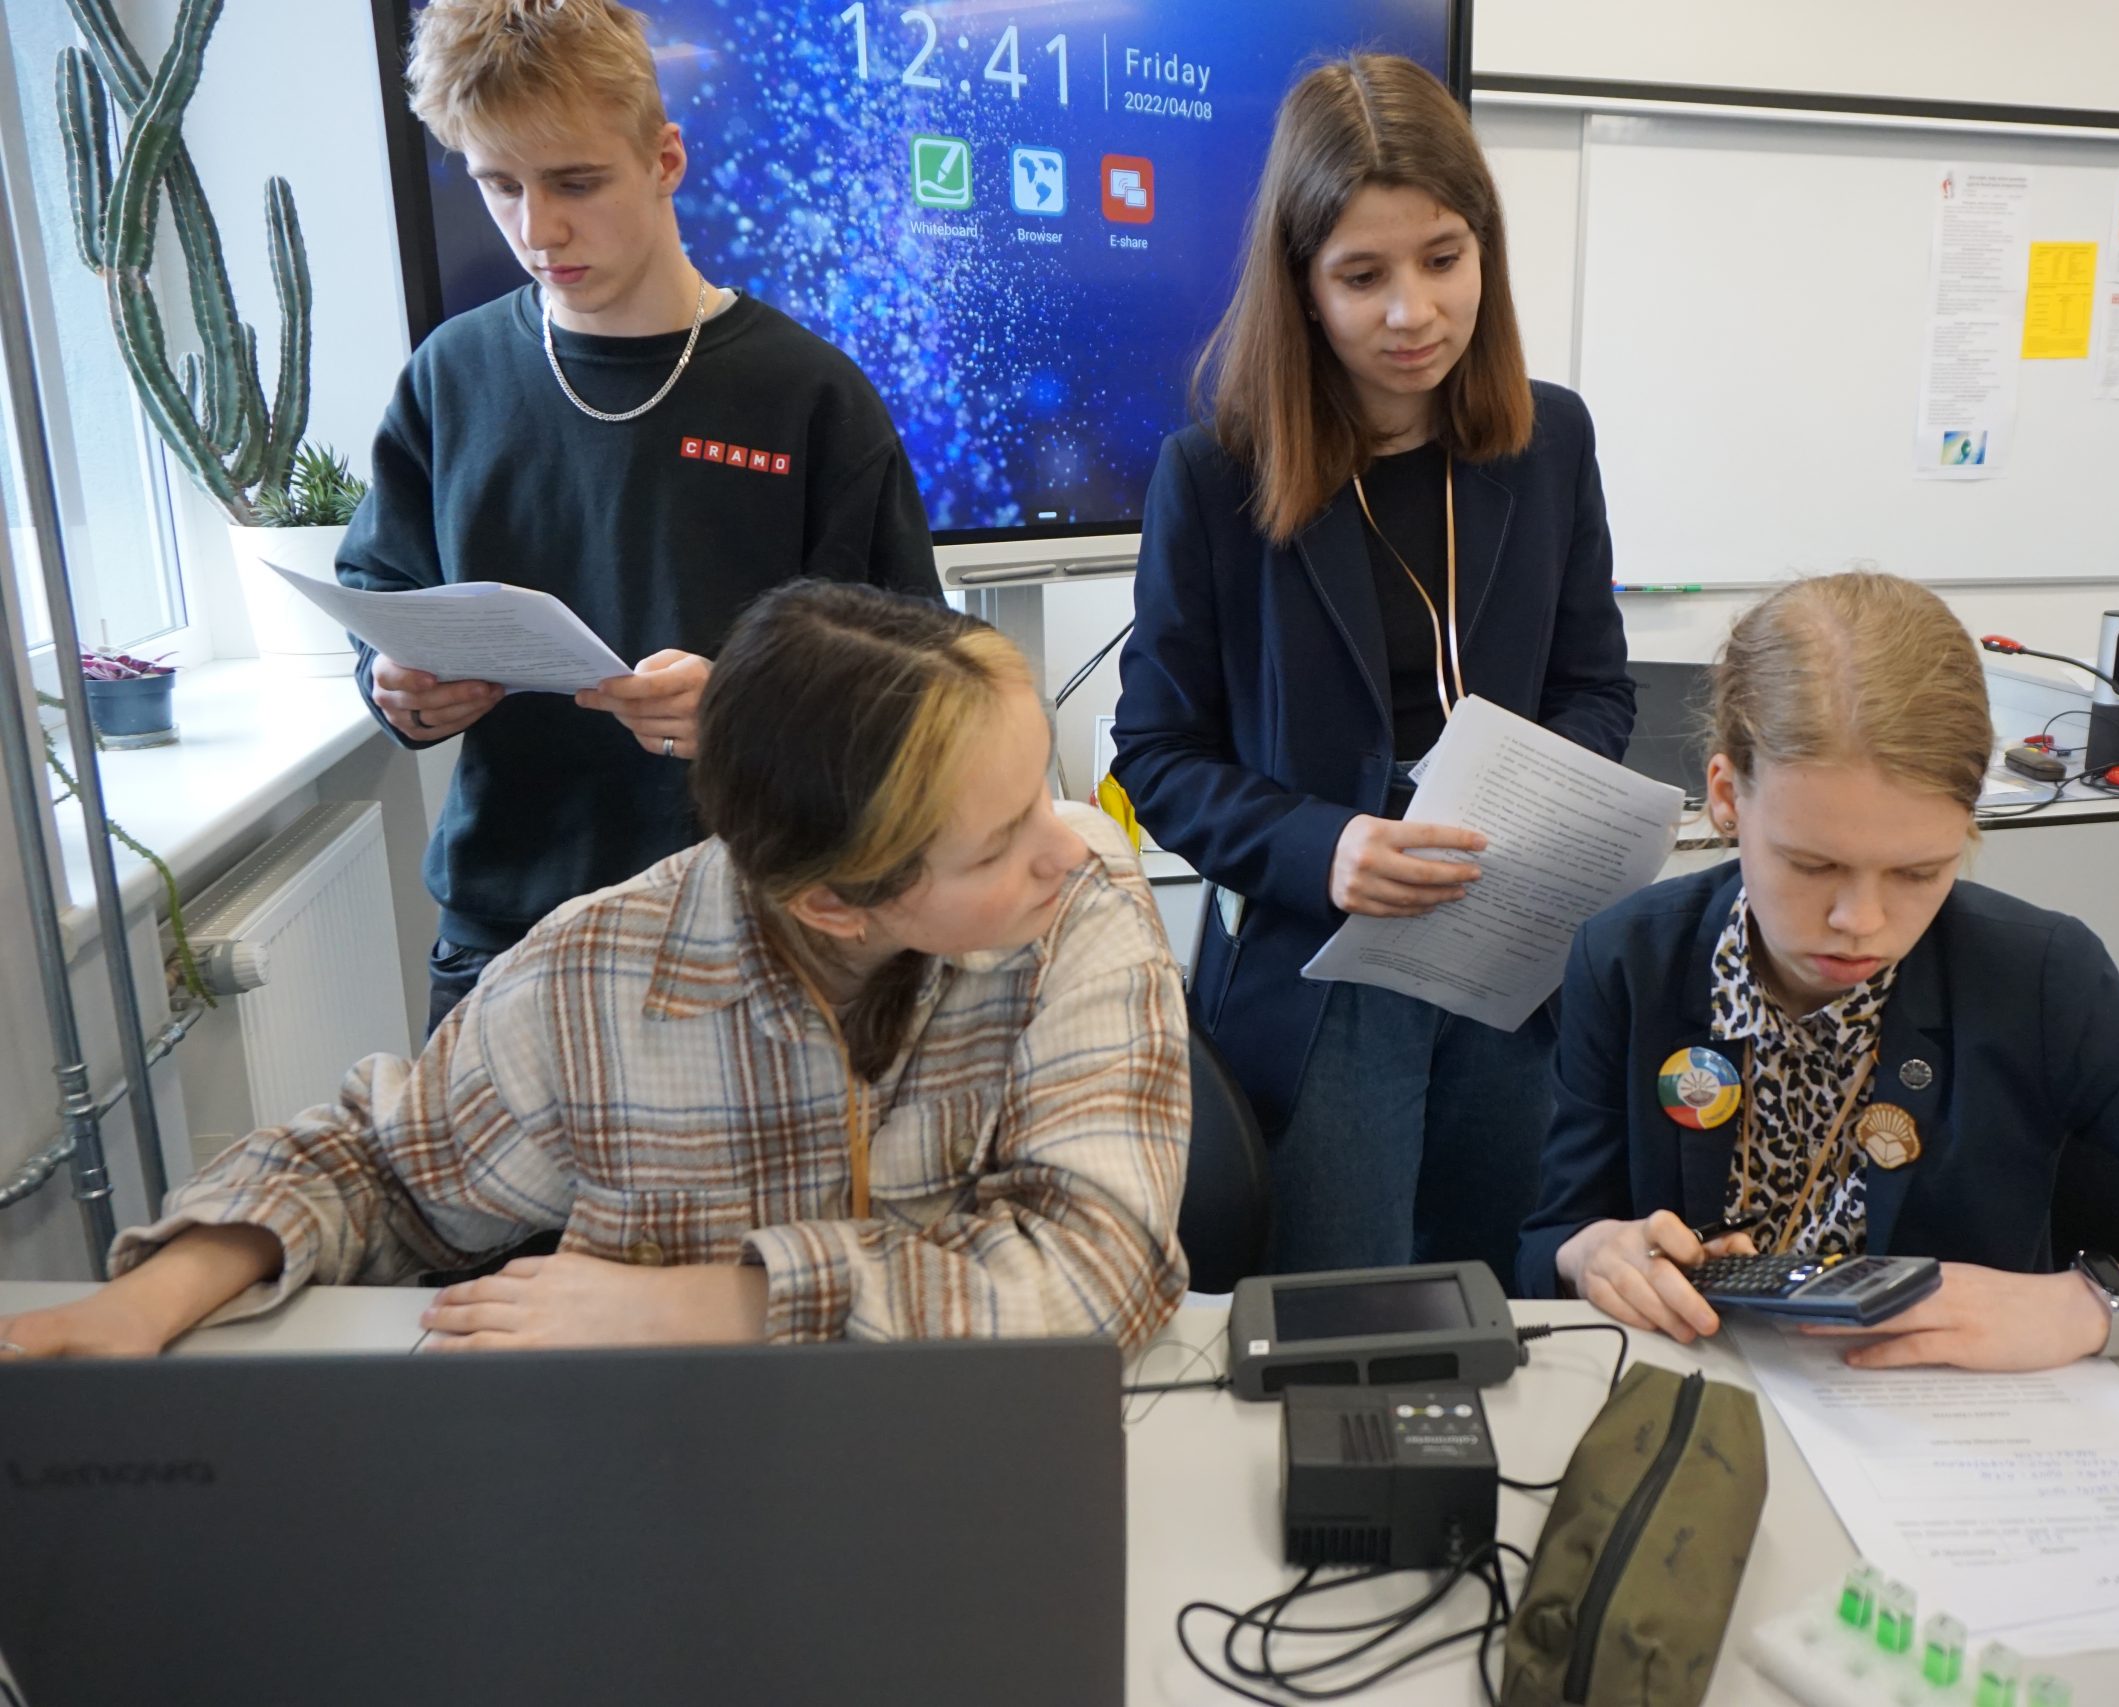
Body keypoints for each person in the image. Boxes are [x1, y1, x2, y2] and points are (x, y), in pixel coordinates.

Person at [0, 584, 1188, 1358]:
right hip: (681, 1485)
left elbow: (1103, 1278)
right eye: (999, 841)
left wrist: (716, 1302)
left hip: (964, 1463)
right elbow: (379, 1173)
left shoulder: (1081, 906)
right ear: (831, 901)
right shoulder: (594, 977)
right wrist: (146, 1303)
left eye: (1042, 792)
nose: (1069, 843)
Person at [1519, 571, 2119, 1390]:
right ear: (1727, 797)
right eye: (1812, 865)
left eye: (1919, 871)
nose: (1862, 922)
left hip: (1952, 1450)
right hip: (1696, 1410)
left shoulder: (2035, 980)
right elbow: (1549, 1237)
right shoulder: (1627, 959)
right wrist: (1589, 1252)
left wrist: (2088, 1307)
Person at [1111, 55, 1634, 1281]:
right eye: (1362, 277)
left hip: (1507, 957)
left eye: (1443, 259)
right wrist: (1323, 846)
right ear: (1300, 287)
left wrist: (1537, 803)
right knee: (1342, 1309)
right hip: (1321, 972)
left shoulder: (1552, 438)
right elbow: (1156, 755)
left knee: (1505, 1289)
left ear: (1483, 248)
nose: (1413, 312)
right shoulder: (1213, 476)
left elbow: (1598, 690)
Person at [348, 0, 939, 1034]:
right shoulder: (451, 376)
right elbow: (382, 596)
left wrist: (750, 715)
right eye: (500, 185)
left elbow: (919, 685)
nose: (538, 229)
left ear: (665, 159)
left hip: (751, 931)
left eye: (576, 183)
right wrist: (395, 686)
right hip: (505, 933)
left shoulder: (809, 394)